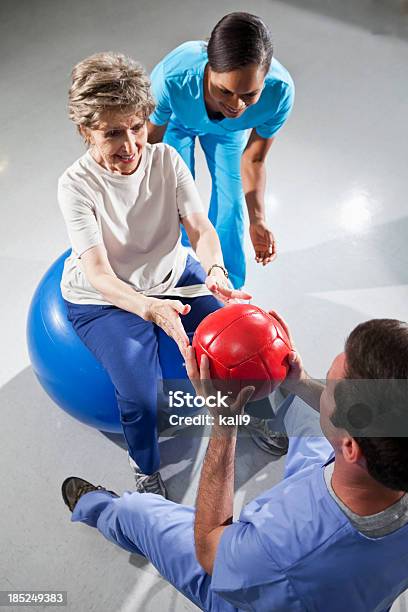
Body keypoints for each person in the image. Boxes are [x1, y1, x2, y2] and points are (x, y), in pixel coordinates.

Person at [62, 316, 408, 611]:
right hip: (346, 485)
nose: (325, 386)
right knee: (303, 407)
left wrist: (224, 421)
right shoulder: (385, 450)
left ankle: (95, 506)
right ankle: (288, 421)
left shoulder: (284, 553)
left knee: (138, 511)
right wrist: (298, 382)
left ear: (350, 446)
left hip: (251, 587)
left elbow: (210, 547)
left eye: (330, 387)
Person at [58, 51, 258, 497]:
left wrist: (216, 270)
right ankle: (145, 469)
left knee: (244, 342)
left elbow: (200, 227)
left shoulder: (166, 159)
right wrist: (149, 308)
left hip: (172, 274)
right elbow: (97, 272)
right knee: (142, 397)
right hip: (105, 298)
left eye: (135, 128)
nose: (129, 145)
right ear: (85, 132)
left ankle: (253, 416)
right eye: (112, 133)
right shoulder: (75, 185)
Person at [148, 12, 295, 289]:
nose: (236, 105)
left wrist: (259, 220)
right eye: (224, 91)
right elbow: (149, 146)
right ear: (209, 68)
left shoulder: (280, 93)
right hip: (177, 123)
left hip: (229, 134)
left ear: (264, 80)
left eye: (249, 95)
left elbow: (254, 159)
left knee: (232, 202)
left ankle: (226, 285)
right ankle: (173, 270)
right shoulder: (173, 77)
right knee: (176, 195)